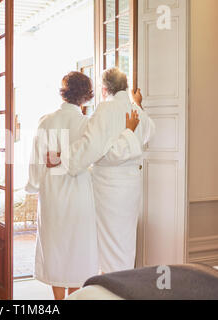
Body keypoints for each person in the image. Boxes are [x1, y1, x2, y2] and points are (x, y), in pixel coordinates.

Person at [26, 71, 141, 300]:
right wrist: (131, 125)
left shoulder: (45, 122)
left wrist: (34, 184)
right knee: (78, 252)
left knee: (55, 248)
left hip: (51, 196)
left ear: (64, 93)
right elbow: (103, 152)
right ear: (86, 96)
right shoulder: (88, 125)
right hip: (79, 195)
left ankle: (58, 300)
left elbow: (36, 166)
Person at [49, 68, 155, 274]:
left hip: (109, 188)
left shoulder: (105, 110)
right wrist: (138, 105)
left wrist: (63, 157)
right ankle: (122, 285)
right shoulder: (137, 111)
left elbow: (91, 146)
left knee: (109, 242)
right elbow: (151, 130)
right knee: (124, 239)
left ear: (105, 89)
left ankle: (111, 288)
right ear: (125, 87)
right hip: (132, 186)